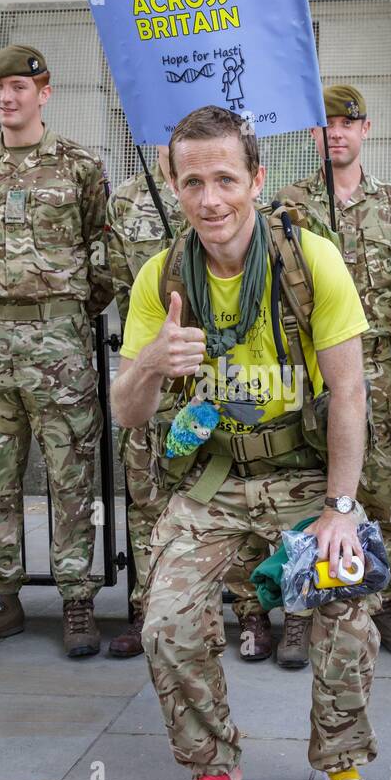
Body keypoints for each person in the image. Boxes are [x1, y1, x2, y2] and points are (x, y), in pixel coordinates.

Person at [112, 105, 381, 780]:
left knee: (345, 600)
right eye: (192, 181)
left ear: (256, 180)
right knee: (165, 620)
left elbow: (350, 391)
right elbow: (128, 412)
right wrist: (149, 362)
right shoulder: (162, 277)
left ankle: (344, 764)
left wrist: (340, 508)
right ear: (173, 184)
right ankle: (210, 763)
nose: (210, 199)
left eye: (226, 178)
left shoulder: (309, 260)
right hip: (216, 478)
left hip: (304, 473)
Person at [0, 45, 112, 658]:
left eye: (18, 86)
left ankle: (77, 599)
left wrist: (66, 316)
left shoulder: (80, 166)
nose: (6, 98)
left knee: (70, 476)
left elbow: (103, 253)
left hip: (59, 345)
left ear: (45, 92)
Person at [274, 83, 391, 665]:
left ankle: (380, 601)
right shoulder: (288, 206)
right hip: (303, 371)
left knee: (381, 488)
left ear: (367, 129)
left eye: (346, 121)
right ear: (312, 135)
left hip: (374, 371)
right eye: (324, 123)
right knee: (303, 487)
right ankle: (297, 609)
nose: (335, 131)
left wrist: (375, 341)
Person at [104, 148, 268, 660]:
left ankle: (251, 612)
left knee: (238, 492)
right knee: (151, 506)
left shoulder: (237, 202)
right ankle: (150, 606)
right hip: (157, 379)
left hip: (229, 380)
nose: (208, 197)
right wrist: (151, 354)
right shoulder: (126, 201)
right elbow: (110, 279)